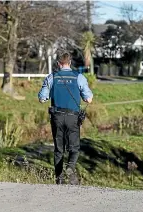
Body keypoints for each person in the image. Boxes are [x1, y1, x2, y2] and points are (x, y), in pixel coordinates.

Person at [38, 52, 93, 185]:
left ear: (58, 63)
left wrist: (47, 94)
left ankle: (59, 179)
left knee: (58, 149)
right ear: (70, 63)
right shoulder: (78, 77)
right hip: (73, 117)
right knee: (74, 148)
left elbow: (42, 98)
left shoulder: (52, 77)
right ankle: (70, 167)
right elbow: (89, 99)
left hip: (56, 117)